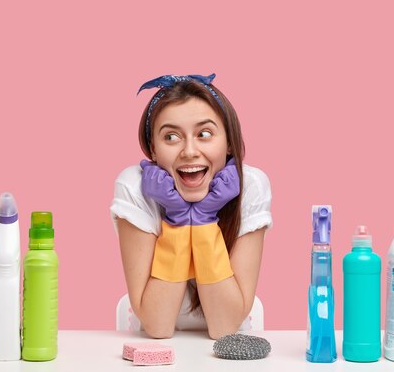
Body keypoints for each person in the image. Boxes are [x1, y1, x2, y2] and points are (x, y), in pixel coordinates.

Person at [110, 74, 272, 339]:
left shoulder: (251, 186)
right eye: (171, 137)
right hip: (159, 352)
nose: (189, 151)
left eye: (204, 134)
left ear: (229, 142)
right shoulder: (134, 187)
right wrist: (178, 220)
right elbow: (158, 325)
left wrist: (204, 220)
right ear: (153, 149)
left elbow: (225, 328)